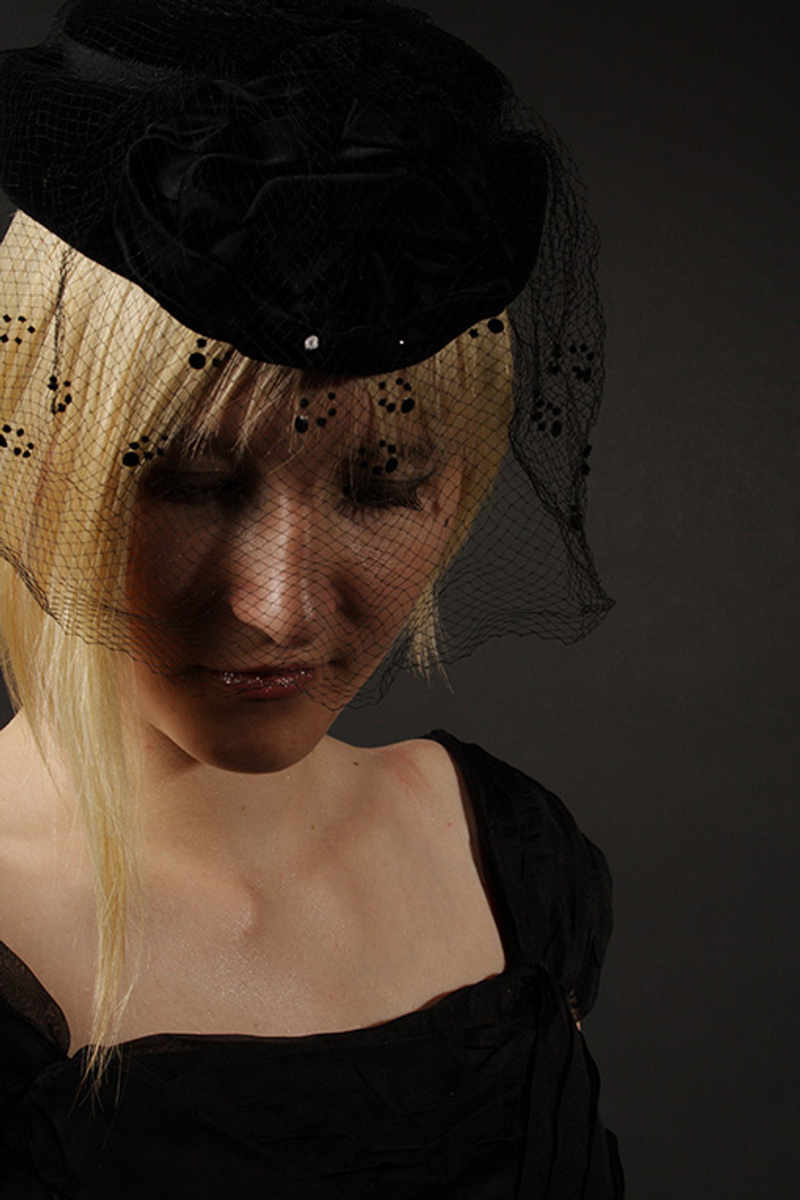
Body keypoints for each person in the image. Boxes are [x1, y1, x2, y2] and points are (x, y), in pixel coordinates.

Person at [0, 0, 623, 1195]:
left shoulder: (513, 863)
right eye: (190, 486)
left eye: (384, 484)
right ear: (33, 457)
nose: (280, 609)